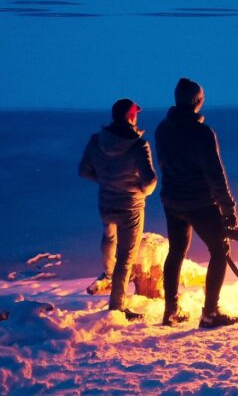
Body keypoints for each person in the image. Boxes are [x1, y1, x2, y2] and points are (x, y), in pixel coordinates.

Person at [155, 78, 238, 328]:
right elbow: (215, 175)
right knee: (220, 249)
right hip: (200, 203)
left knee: (176, 252)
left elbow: (164, 165)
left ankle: (171, 309)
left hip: (172, 201)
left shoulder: (162, 129)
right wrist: (228, 209)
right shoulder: (202, 134)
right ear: (198, 101)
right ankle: (210, 312)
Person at [79, 98, 157, 320]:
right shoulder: (138, 145)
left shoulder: (96, 141)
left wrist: (105, 181)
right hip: (130, 207)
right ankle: (117, 307)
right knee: (126, 257)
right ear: (131, 117)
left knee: (109, 236)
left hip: (106, 203)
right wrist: (141, 191)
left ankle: (108, 272)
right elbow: (150, 180)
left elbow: (84, 170)